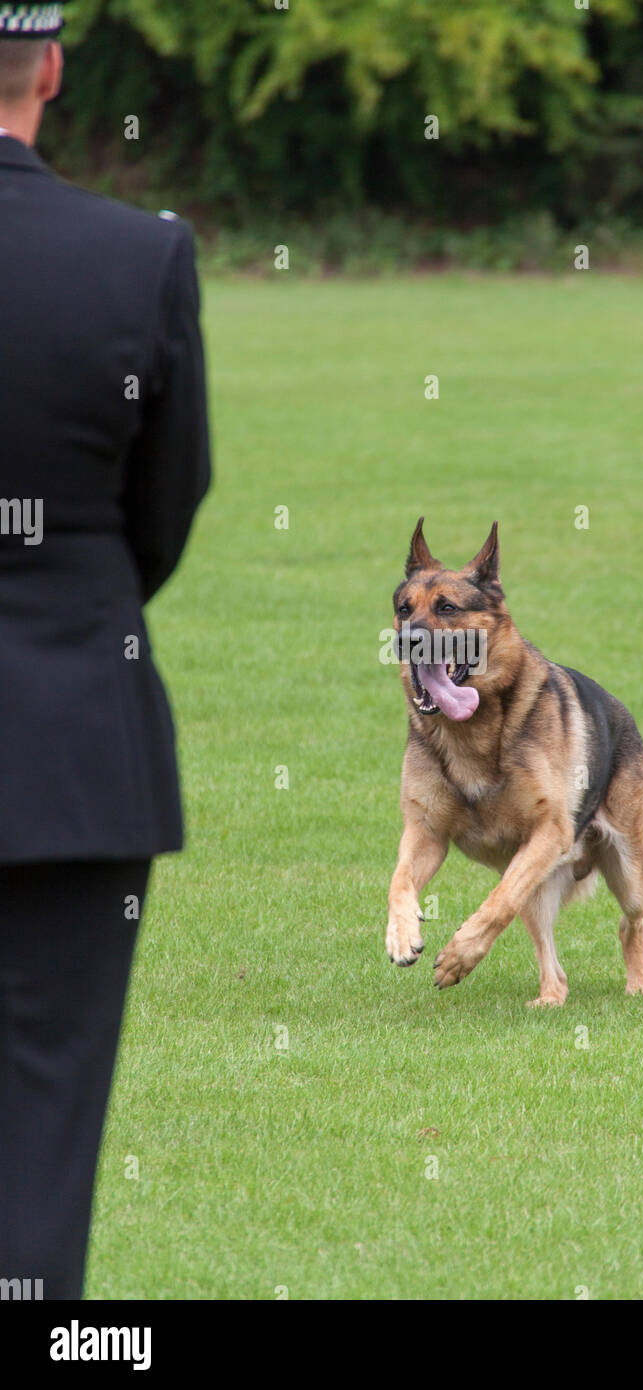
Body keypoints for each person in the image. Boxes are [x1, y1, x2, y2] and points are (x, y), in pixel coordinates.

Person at [0, 3, 211, 1300]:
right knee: (41, 1135)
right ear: (54, 72)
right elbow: (164, 507)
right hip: (75, 749)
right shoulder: (138, 256)